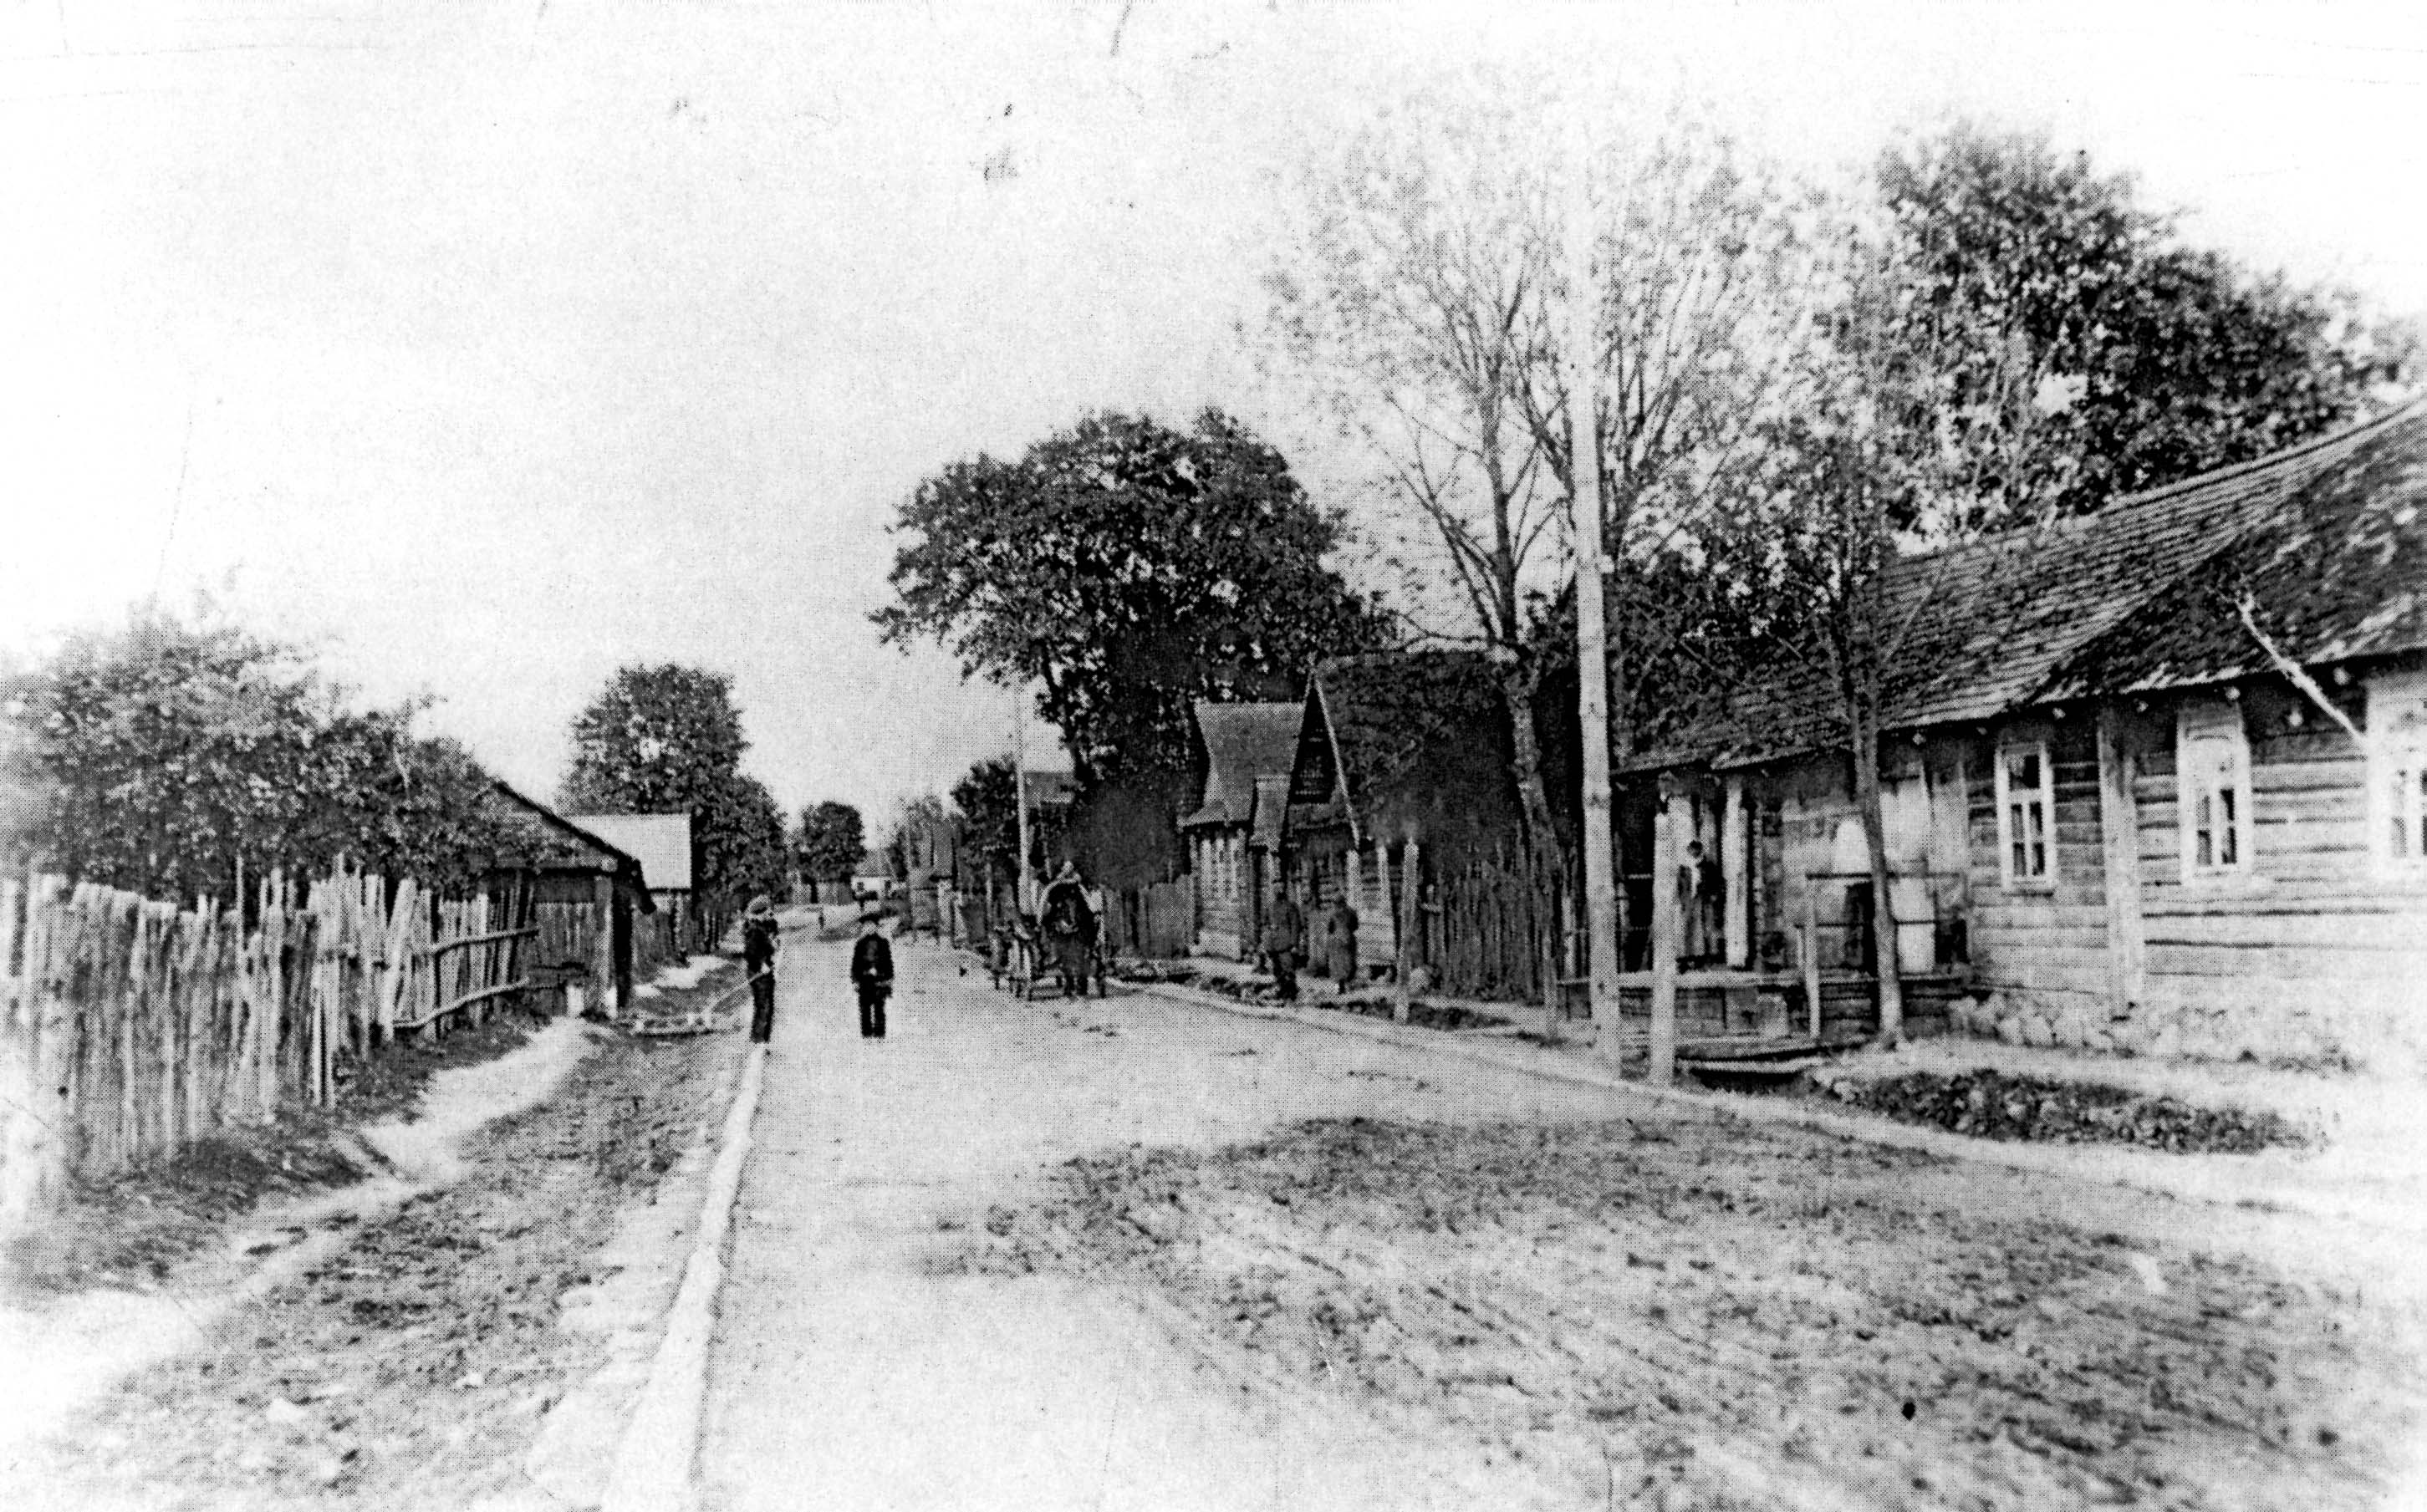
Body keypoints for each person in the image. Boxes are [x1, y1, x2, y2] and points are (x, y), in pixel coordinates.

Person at [1039, 863, 1095, 997]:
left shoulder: (1078, 887)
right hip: (1060, 924)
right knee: (1063, 954)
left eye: (1070, 870)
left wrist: (1094, 914)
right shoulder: (1055, 888)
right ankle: (1069, 983)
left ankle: (1081, 984)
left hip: (1078, 924)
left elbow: (1088, 904)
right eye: (1066, 870)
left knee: (1082, 953)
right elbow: (1048, 906)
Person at [742, 895, 781, 1043]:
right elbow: (749, 953)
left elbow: (766, 948)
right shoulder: (754, 930)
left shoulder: (761, 928)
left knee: (766, 1006)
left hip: (764, 973)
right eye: (767, 911)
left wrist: (772, 946)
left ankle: (762, 1039)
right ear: (761, 912)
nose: (769, 914)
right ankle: (759, 1040)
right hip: (759, 974)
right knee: (763, 1006)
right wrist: (761, 965)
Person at [850, 913, 894, 1039]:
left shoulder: (883, 943)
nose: (869, 928)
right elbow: (855, 963)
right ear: (863, 928)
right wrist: (855, 979)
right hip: (864, 980)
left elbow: (888, 962)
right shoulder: (860, 944)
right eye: (867, 926)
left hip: (880, 980)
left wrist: (889, 978)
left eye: (872, 926)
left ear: (876, 927)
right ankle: (867, 1033)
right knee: (865, 1008)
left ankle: (880, 1033)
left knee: (879, 1008)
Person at [1262, 888, 1304, 1002]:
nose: (1277, 891)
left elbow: (1296, 926)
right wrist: (1266, 937)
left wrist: (1295, 944)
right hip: (1273, 943)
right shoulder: (1270, 906)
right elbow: (1265, 923)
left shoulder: (1291, 906)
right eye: (1275, 887)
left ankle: (1290, 995)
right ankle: (1282, 991)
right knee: (1277, 970)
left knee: (1288, 969)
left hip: (1286, 944)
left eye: (1280, 887)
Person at [1322, 892, 1360, 994]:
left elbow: (1329, 928)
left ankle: (1338, 986)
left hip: (1336, 940)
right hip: (1348, 938)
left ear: (1334, 902)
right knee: (1348, 961)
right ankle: (1348, 984)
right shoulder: (1351, 912)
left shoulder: (1332, 913)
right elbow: (1356, 926)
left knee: (1336, 962)